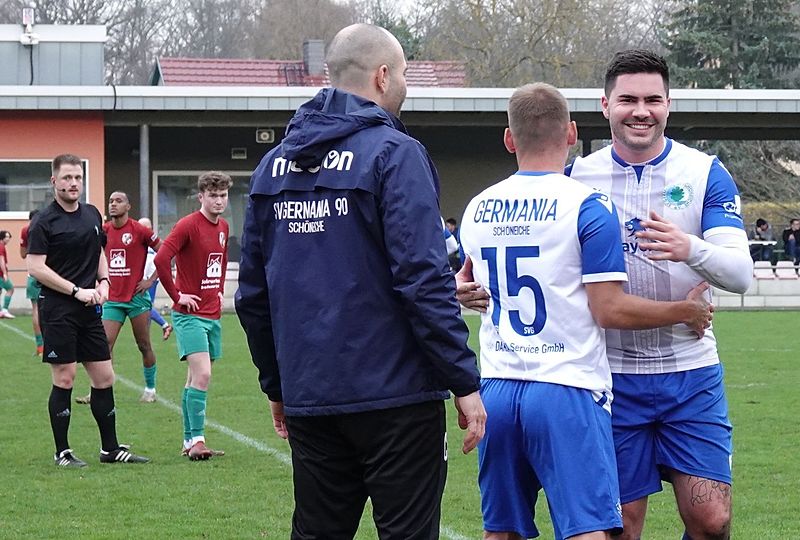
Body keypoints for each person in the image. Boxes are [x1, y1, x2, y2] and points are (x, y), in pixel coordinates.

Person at [459, 50, 752, 540]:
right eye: (628, 100)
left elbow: (740, 274)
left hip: (690, 371)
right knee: (621, 526)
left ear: (668, 104)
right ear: (605, 106)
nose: (641, 111)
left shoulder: (704, 173)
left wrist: (689, 248)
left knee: (712, 519)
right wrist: (469, 287)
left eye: (653, 100)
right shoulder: (576, 180)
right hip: (611, 376)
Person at [236, 23, 486, 540]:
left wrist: (276, 385)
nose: (405, 87)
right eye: (405, 74)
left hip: (312, 396)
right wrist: (463, 380)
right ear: (383, 76)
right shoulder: (395, 153)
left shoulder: (272, 167)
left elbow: (253, 296)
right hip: (397, 398)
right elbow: (422, 280)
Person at [26, 153, 150, 467]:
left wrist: (104, 281)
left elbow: (99, 252)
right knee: (65, 377)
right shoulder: (44, 221)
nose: (73, 183)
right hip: (58, 309)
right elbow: (35, 267)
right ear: (54, 181)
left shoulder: (92, 214)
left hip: (89, 308)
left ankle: (110, 449)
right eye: (67, 178)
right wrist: (75, 290)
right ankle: (62, 452)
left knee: (105, 376)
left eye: (78, 177)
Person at [155, 171, 232, 461]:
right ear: (200, 196)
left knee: (193, 379)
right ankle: (198, 440)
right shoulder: (187, 225)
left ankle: (189, 441)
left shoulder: (223, 226)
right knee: (203, 375)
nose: (219, 201)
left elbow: (221, 260)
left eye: (223, 195)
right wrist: (177, 296)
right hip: (189, 315)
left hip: (212, 313)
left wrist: (220, 290)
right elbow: (161, 258)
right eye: (213, 195)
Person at [75, 192, 163, 405]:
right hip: (113, 299)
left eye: (118, 201)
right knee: (103, 344)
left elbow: (165, 252)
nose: (113, 204)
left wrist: (151, 280)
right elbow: (92, 256)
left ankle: (150, 389)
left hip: (136, 298)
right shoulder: (104, 231)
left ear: (128, 206)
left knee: (143, 344)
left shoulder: (140, 230)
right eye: (111, 201)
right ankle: (99, 390)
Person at [137, 217, 173, 339]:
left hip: (149, 280)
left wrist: (148, 279)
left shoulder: (152, 243)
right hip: (148, 279)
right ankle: (149, 333)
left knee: (145, 306)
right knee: (146, 306)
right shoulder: (141, 243)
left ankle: (164, 325)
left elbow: (163, 259)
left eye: (144, 228)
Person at [19, 211, 44, 355]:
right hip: (49, 274)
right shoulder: (49, 227)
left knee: (36, 309)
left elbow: (23, 254)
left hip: (33, 274)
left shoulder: (26, 230)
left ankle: (40, 346)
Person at [0, 230, 15, 318]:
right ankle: (5, 310)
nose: (9, 239)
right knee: (10, 289)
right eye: (7, 237)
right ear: (2, 238)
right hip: (0, 274)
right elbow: (1, 260)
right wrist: (5, 273)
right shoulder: (1, 247)